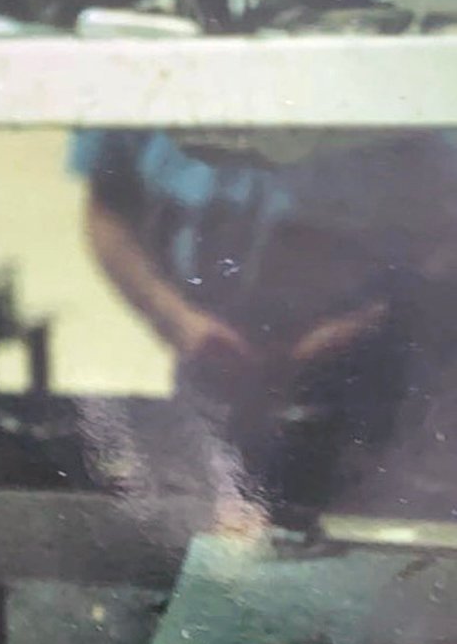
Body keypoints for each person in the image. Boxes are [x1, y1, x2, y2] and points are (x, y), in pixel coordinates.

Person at [73, 128, 457, 505]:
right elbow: (108, 209)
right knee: (218, 539)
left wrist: (377, 318)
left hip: (374, 390)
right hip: (211, 373)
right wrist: (176, 319)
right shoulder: (151, 78)